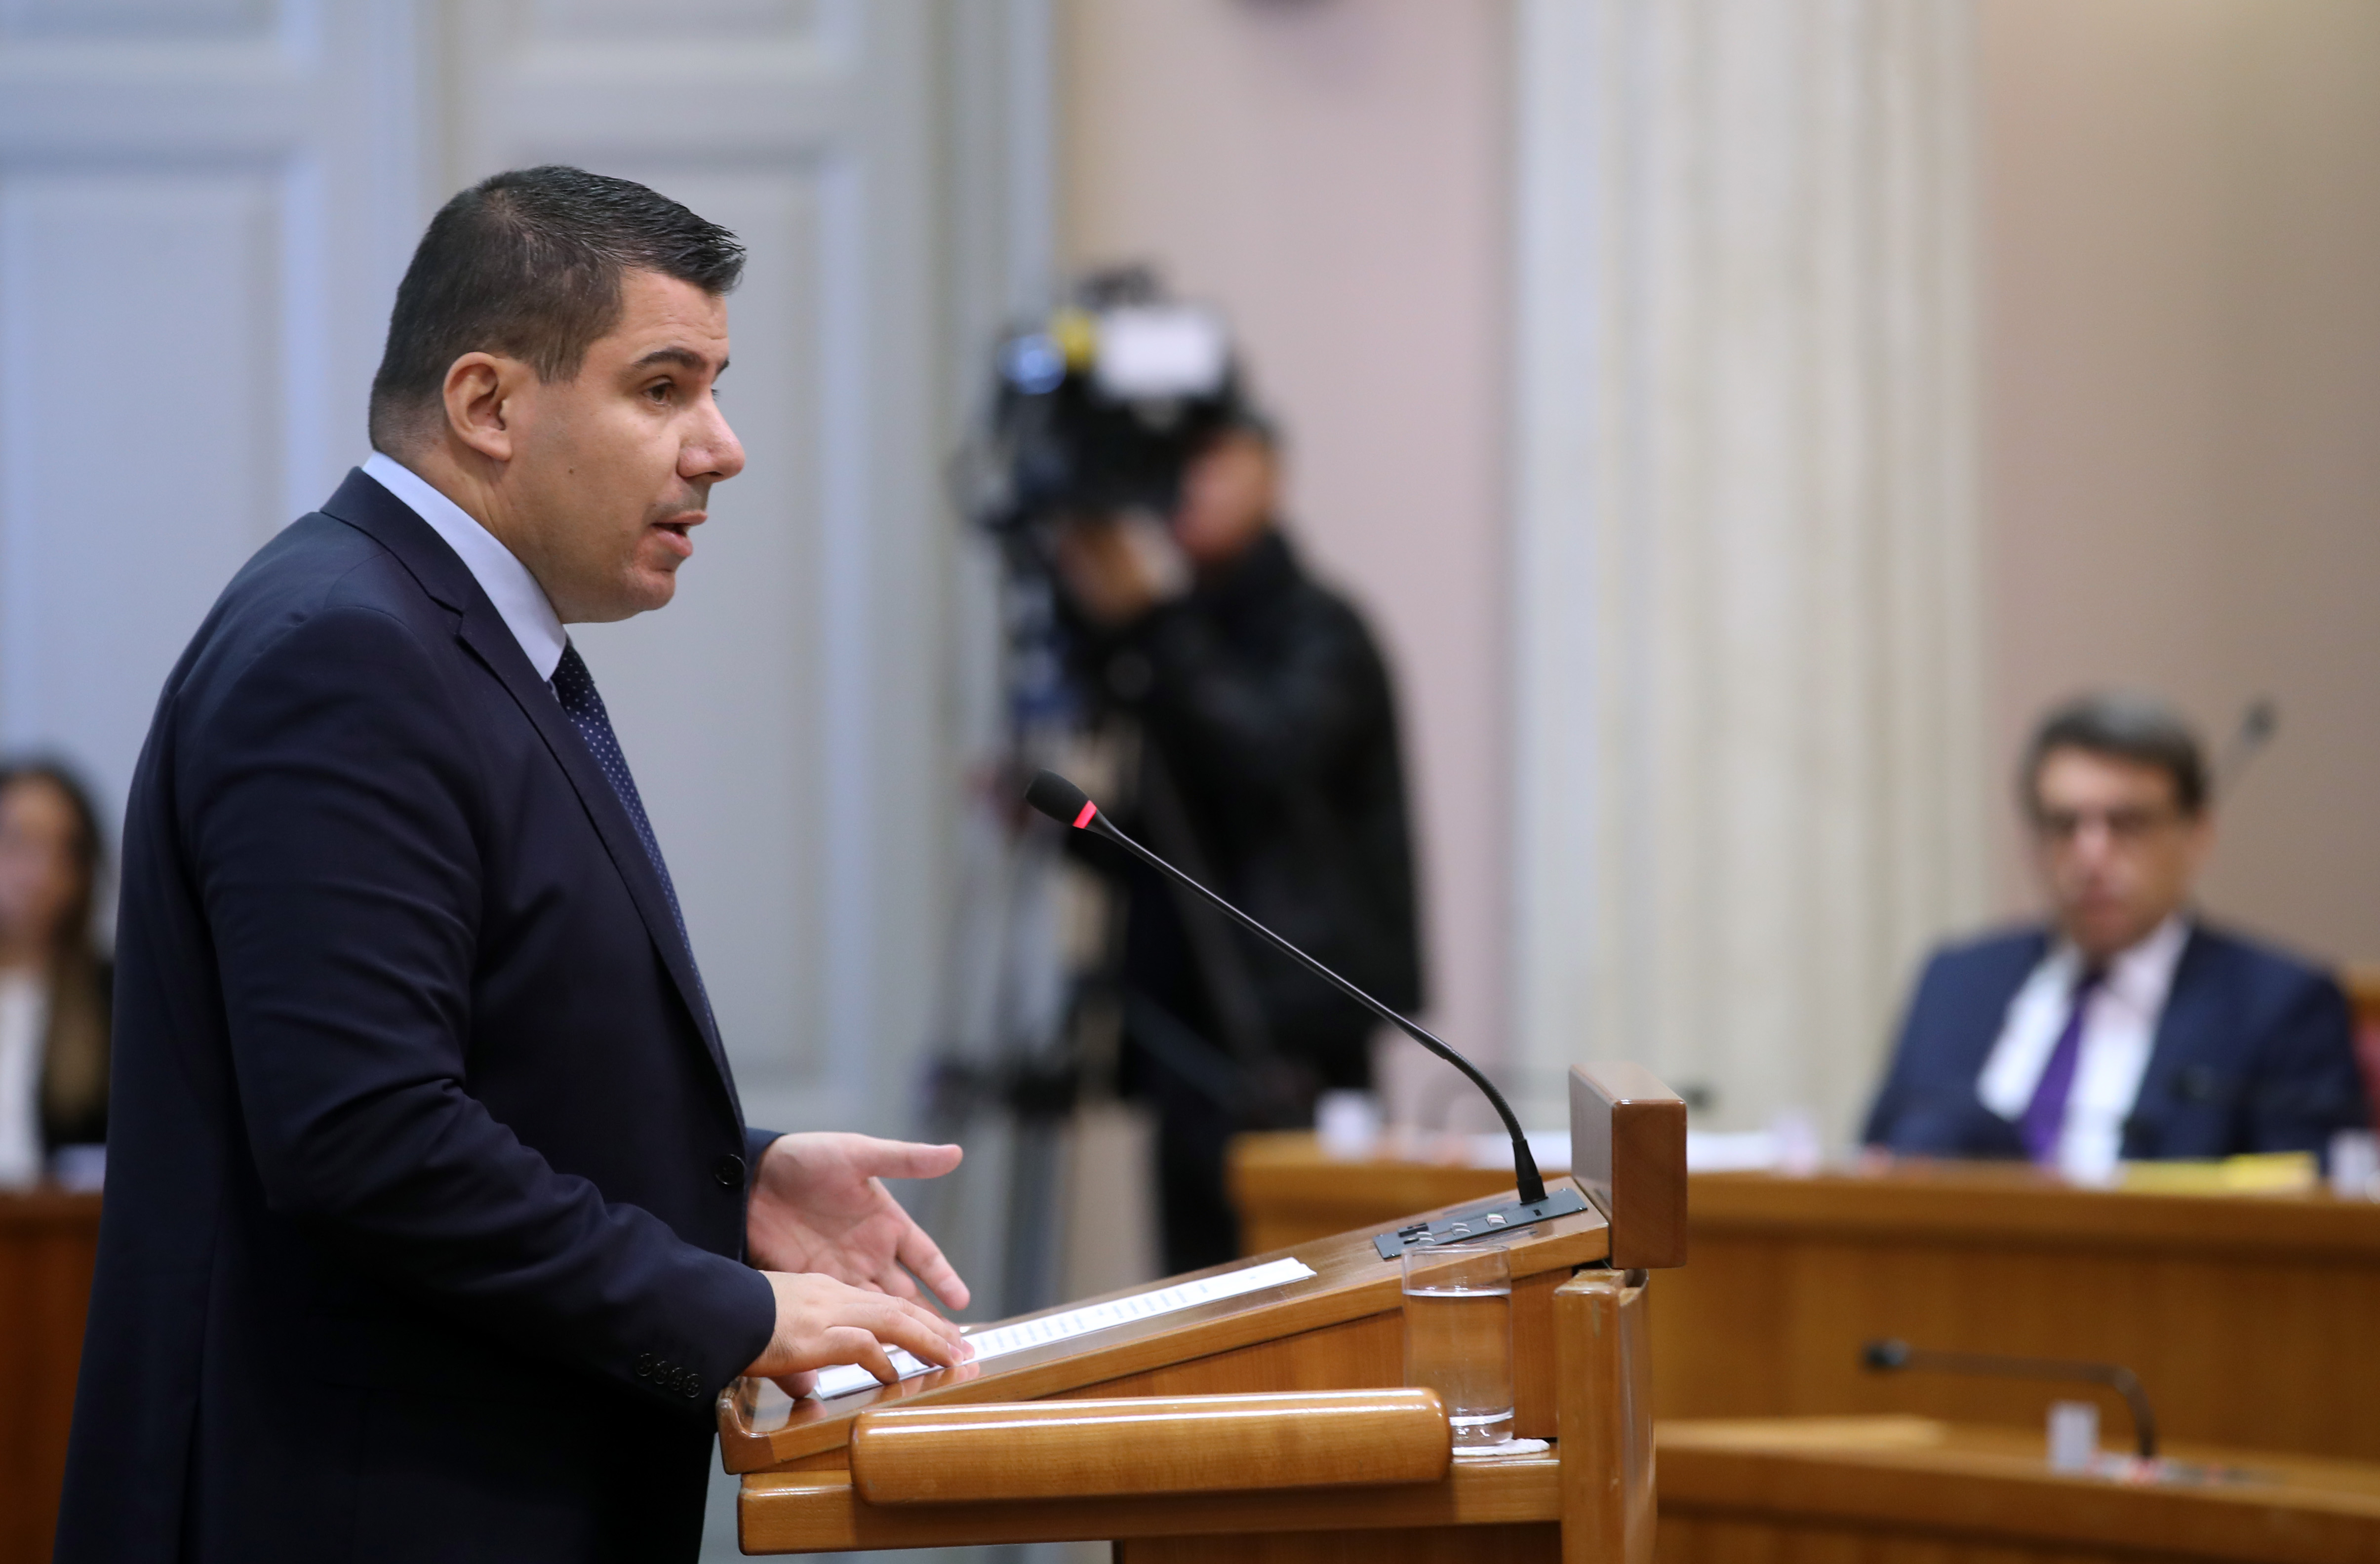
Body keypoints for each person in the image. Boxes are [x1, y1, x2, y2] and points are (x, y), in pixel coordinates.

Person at [56, 167, 972, 1564]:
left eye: (714, 389)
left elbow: (480, 1062)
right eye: (663, 388)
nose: (722, 448)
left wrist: (727, 1182)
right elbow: (367, 1139)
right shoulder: (344, 653)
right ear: (487, 405)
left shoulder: (443, 636)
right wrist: (728, 1310)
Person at [1053, 420, 1422, 1272]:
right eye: (1176, 464)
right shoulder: (1173, 633)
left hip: (1292, 1030)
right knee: (1195, 1286)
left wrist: (1150, 621)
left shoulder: (1320, 630)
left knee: (1311, 1284)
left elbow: (1266, 757)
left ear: (1271, 474)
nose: (1191, 485)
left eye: (1214, 461)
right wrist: (1060, 823)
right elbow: (1165, 853)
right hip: (1185, 1027)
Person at [1863, 692, 2368, 1178]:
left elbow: (2310, 1206)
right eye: (2065, 825)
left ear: (2197, 833)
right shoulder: (1955, 983)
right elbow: (1872, 1166)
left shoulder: (2279, 1006)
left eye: (2127, 824)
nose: (2091, 856)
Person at [0, 761, 112, 1185]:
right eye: (18, 841)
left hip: (60, 1223)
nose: (39, 872)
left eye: (63, 849)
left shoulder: (112, 997)